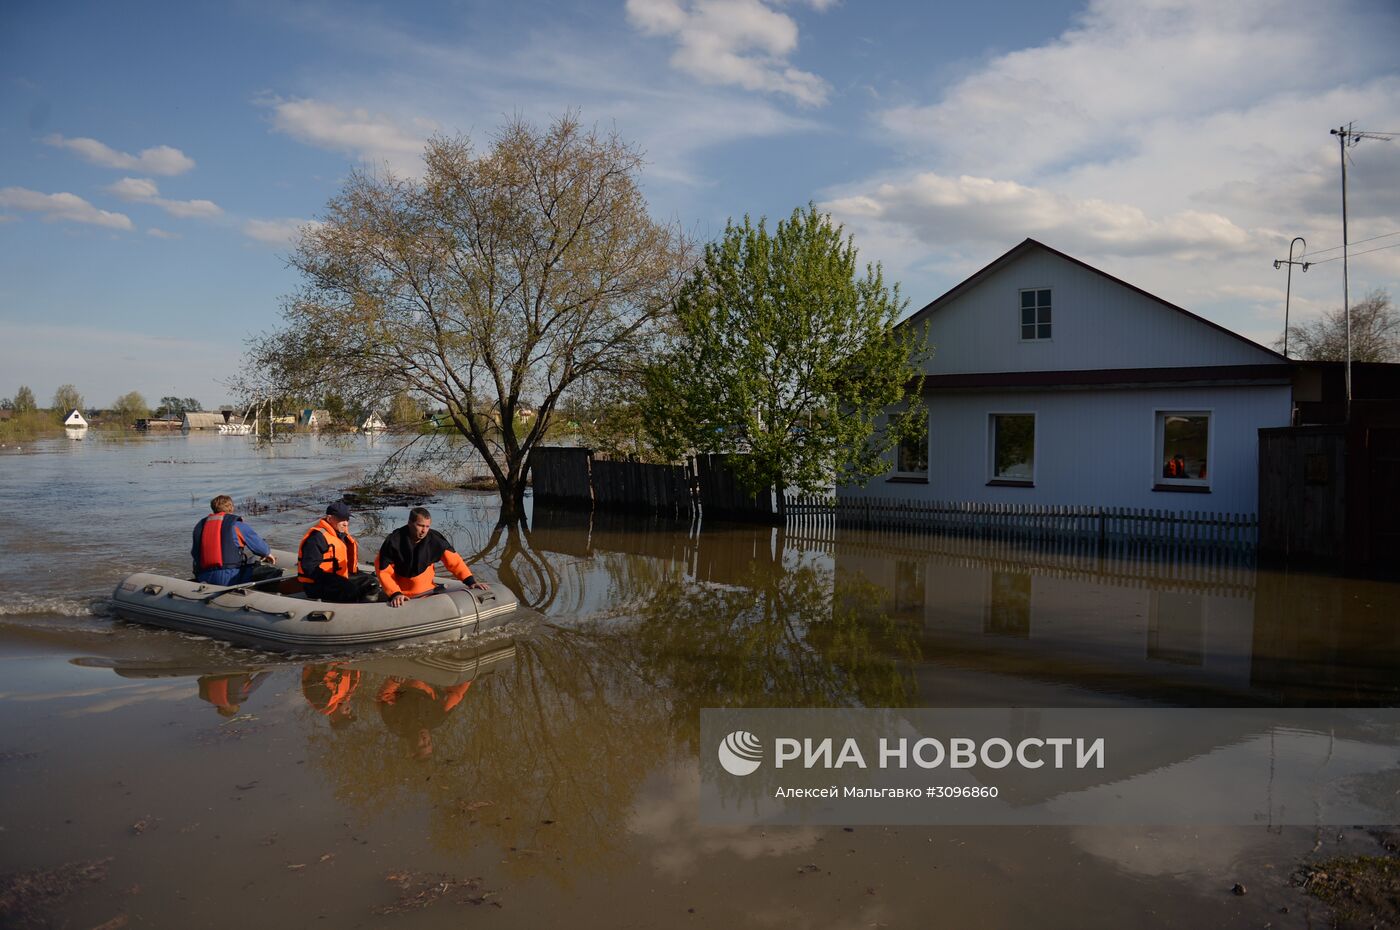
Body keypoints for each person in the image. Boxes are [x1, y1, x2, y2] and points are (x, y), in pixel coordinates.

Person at [375, 507, 488, 608]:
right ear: (410, 523)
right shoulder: (393, 541)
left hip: (428, 592)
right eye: (420, 525)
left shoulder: (434, 539)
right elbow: (383, 571)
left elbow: (454, 562)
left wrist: (471, 581)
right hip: (402, 595)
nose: (424, 530)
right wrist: (395, 593)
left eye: (427, 526)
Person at [298, 501, 378, 602]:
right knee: (349, 589)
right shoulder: (316, 538)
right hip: (317, 585)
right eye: (341, 519)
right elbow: (310, 569)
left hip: (339, 576)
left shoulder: (340, 535)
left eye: (347, 519)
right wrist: (337, 580)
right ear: (329, 518)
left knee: (372, 582)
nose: (345, 523)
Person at [192, 495, 276, 586]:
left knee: (249, 561)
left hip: (203, 576)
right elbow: (260, 548)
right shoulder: (236, 525)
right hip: (229, 577)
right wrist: (267, 553)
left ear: (213, 508)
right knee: (270, 571)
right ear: (231, 507)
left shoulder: (200, 526)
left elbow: (194, 554)